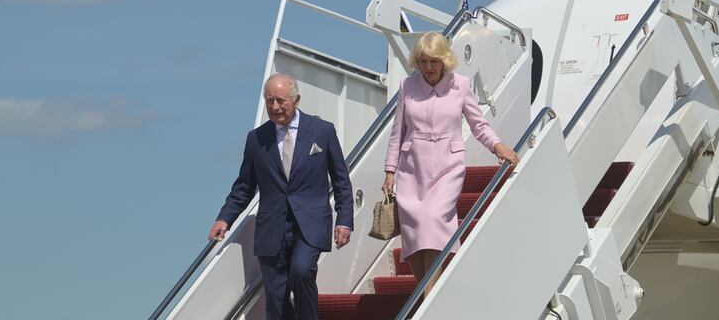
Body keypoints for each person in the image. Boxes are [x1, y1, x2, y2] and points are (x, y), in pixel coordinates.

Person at [381, 32, 518, 296]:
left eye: (433, 61)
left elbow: (479, 125)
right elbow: (397, 132)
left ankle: (427, 298)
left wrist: (498, 145)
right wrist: (390, 171)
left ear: (444, 60)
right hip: (412, 169)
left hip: (447, 166)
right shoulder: (407, 87)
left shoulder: (461, 85)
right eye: (422, 61)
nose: (428, 68)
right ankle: (427, 295)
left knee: (433, 219)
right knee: (413, 234)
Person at [209, 73, 354, 320]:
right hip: (272, 227)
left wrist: (344, 219)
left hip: (310, 223)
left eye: (280, 100)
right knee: (276, 299)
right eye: (269, 101)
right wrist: (225, 218)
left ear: (296, 100)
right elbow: (245, 185)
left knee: (301, 270)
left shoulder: (322, 131)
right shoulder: (256, 139)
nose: (274, 107)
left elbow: (341, 180)